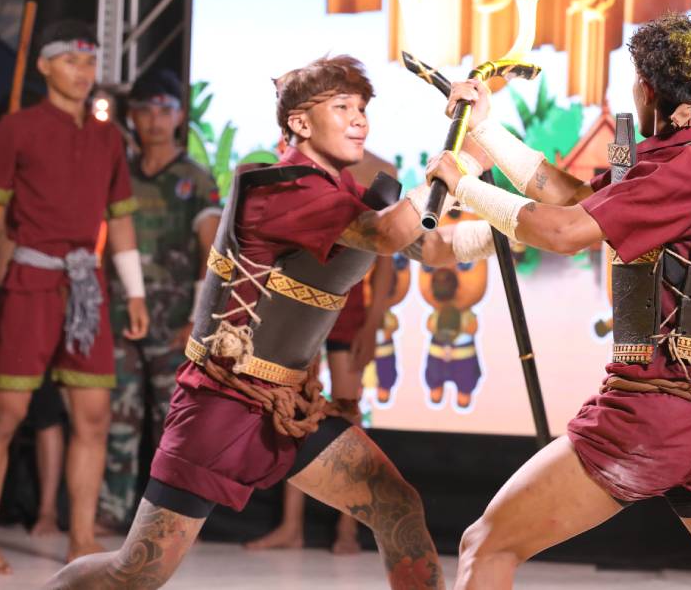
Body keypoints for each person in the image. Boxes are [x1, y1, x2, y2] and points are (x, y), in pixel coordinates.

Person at [43, 54, 496, 589]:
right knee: (134, 572)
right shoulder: (279, 189)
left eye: (362, 108)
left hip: (285, 408)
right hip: (219, 407)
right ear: (299, 123)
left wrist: (504, 223)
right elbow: (387, 233)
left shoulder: (340, 195)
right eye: (342, 106)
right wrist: (457, 164)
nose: (359, 119)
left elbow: (432, 246)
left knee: (395, 505)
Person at [426, 13, 691, 589]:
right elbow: (575, 199)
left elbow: (564, 231)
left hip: (651, 415)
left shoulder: (686, 166)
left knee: (485, 546)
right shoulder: (684, 158)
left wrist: (463, 184)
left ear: (646, 87)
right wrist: (488, 131)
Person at [0, 20, 149, 573]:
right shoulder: (16, 129)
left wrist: (135, 292)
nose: (83, 71)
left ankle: (81, 539)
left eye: (90, 61)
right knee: (5, 414)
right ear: (45, 66)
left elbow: (120, 218)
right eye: (71, 60)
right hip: (30, 282)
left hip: (86, 287)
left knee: (93, 417)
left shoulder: (108, 137)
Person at [245, 153, 396, 554]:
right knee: (295, 407)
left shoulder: (380, 170)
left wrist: (374, 321)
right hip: (300, 300)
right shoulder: (297, 160)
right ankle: (291, 525)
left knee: (348, 412)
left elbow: (385, 257)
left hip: (349, 306)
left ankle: (348, 527)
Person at [98, 69, 222, 531]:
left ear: (179, 116)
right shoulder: (119, 174)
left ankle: (167, 523)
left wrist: (197, 319)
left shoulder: (195, 179)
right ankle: (110, 511)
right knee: (117, 416)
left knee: (173, 423)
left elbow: (211, 254)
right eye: (144, 110)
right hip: (118, 314)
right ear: (131, 115)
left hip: (175, 321)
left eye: (164, 110)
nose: (154, 119)